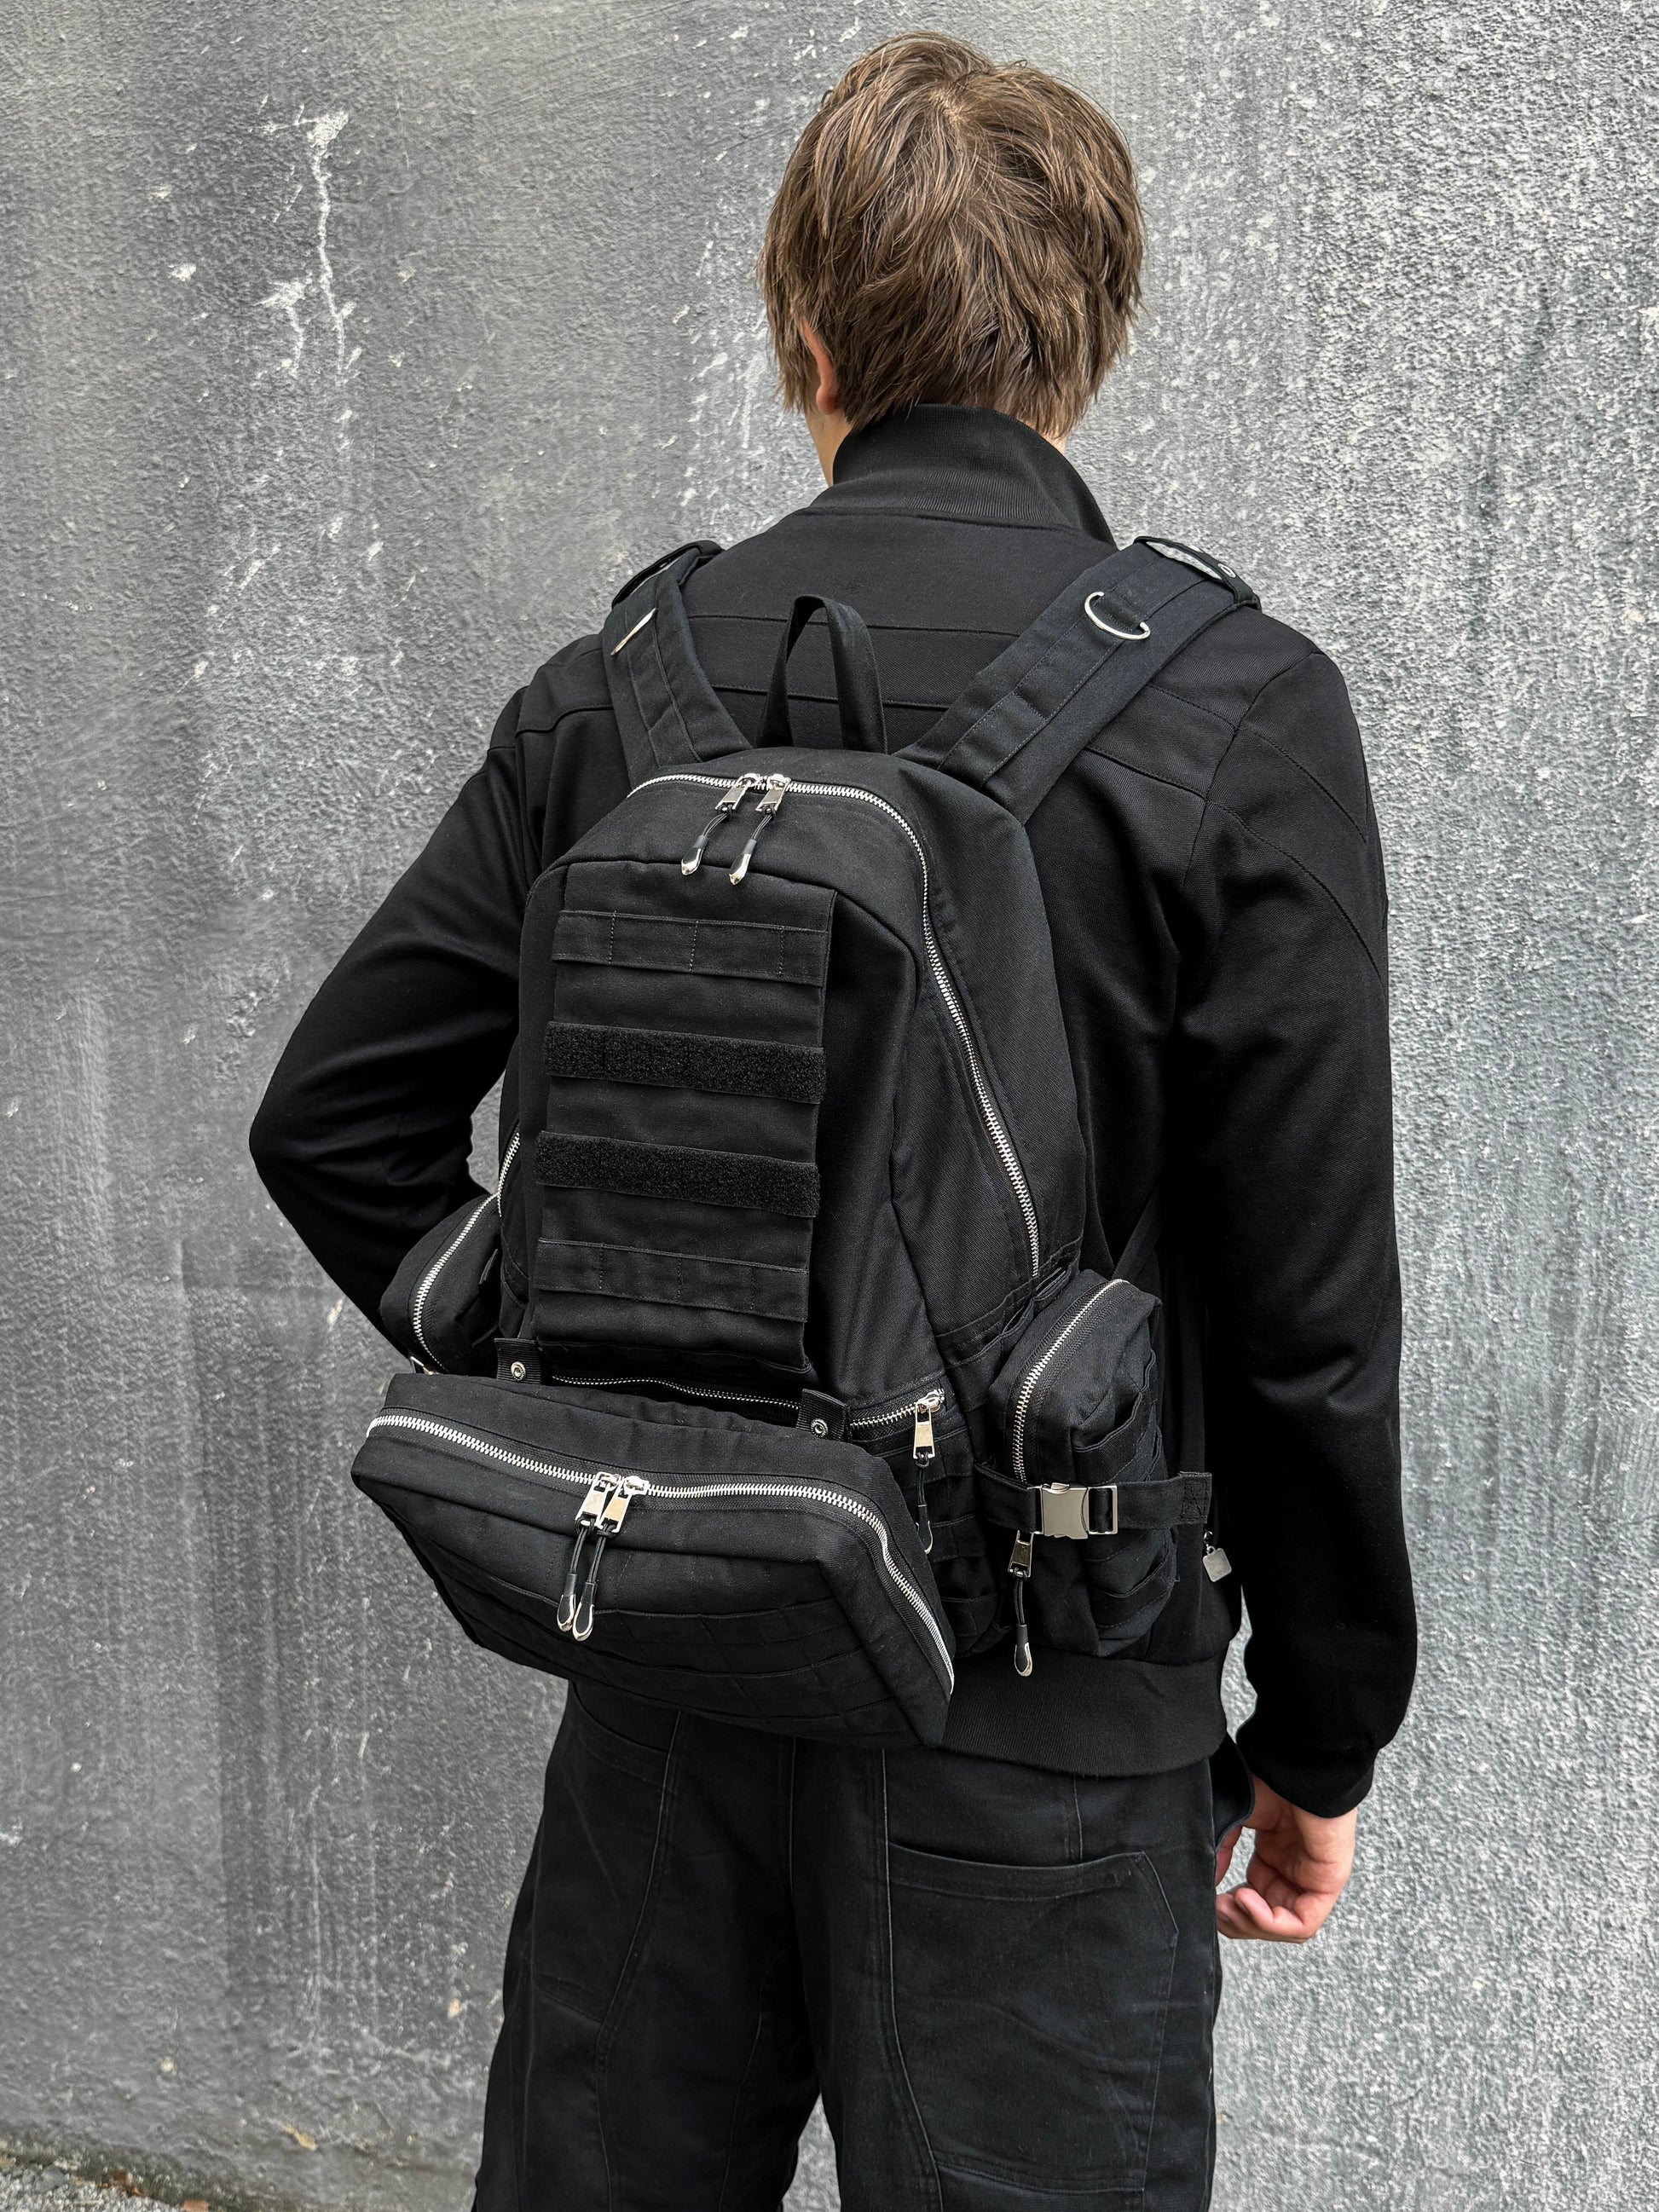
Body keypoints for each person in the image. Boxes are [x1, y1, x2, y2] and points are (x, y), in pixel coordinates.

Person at [251, 32, 1416, 2210]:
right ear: (1089, 337)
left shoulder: (623, 688)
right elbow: (1308, 1299)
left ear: (804, 336)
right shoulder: (1232, 705)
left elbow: (334, 1119)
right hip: (1049, 1731)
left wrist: (558, 1332)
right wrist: (1322, 1726)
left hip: (671, 1660)